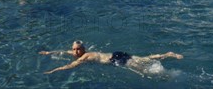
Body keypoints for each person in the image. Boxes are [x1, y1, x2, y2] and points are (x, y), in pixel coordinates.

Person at [40, 40, 183, 74]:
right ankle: (167, 54)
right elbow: (64, 52)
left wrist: (54, 70)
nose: (75, 52)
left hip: (116, 60)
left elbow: (71, 65)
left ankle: (166, 73)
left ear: (83, 49)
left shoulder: (85, 56)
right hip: (116, 54)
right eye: (74, 50)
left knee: (144, 70)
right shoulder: (78, 53)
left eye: (78, 49)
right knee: (145, 58)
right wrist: (49, 53)